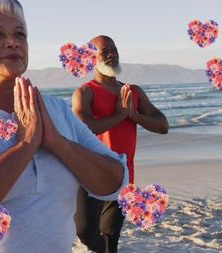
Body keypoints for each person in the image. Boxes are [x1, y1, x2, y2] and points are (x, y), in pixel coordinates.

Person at [0, 2, 130, 253]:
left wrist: (57, 143)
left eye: (20, 34)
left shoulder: (56, 110)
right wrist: (26, 145)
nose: (13, 42)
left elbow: (116, 182)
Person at [72, 35, 169, 253]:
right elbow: (82, 128)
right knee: (85, 230)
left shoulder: (132, 91)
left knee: (110, 236)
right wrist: (119, 116)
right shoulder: (84, 92)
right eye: (104, 50)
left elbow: (163, 126)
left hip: (123, 177)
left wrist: (133, 115)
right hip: (91, 174)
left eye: (114, 49)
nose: (111, 54)